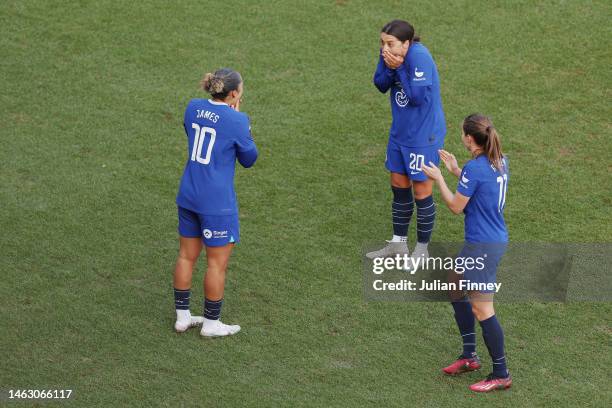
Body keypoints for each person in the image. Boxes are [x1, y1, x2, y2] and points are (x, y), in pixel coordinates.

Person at [421, 114, 511, 392]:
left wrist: (439, 179)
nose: (461, 136)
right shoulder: (500, 160)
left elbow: (456, 206)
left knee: (482, 308)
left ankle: (501, 373)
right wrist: (457, 171)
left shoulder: (476, 168)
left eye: (462, 133)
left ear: (470, 139)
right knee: (454, 282)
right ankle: (470, 356)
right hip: (492, 238)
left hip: (481, 245)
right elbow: (481, 187)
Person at [173, 68, 258, 337]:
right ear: (233, 93)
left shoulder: (193, 107)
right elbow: (249, 159)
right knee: (215, 264)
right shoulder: (237, 120)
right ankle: (211, 323)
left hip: (188, 193)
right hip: (216, 203)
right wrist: (243, 125)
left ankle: (183, 317)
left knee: (186, 256)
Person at [366, 19, 446, 265]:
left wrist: (399, 68)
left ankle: (422, 250)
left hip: (423, 136)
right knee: (399, 186)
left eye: (390, 43)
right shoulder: (390, 54)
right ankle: (398, 244)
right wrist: (390, 66)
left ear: (407, 43)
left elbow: (417, 98)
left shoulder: (419, 57)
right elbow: (380, 84)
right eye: (382, 43)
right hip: (400, 134)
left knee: (421, 191)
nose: (384, 48)